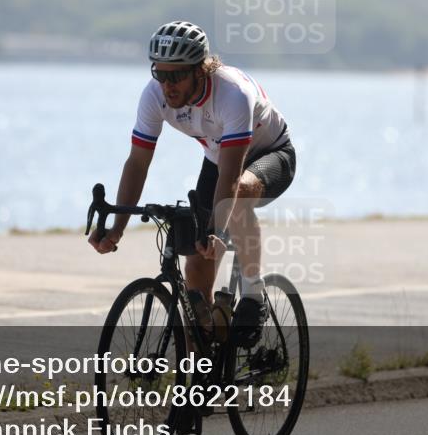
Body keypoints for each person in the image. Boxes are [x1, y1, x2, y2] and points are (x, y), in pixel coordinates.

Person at [88, 20, 296, 349]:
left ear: (200, 70)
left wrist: (216, 230)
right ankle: (201, 373)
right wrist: (117, 228)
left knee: (237, 195)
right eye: (160, 73)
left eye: (177, 75)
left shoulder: (231, 93)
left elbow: (230, 176)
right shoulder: (154, 96)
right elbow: (138, 162)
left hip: (271, 154)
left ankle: (254, 293)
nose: (168, 85)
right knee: (196, 265)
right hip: (220, 158)